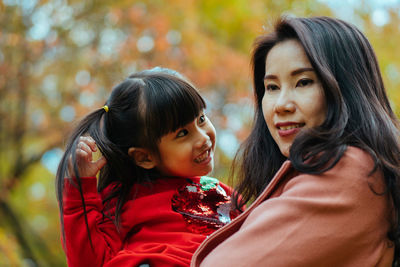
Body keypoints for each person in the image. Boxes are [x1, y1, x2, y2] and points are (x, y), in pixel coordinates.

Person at [191, 16, 400, 267]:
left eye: (303, 82)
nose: (281, 105)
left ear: (346, 89)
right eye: (272, 87)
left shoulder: (349, 169)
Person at [55, 68, 240, 267]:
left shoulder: (223, 193)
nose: (203, 138)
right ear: (144, 157)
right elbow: (91, 261)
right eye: (182, 134)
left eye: (201, 119)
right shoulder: (122, 202)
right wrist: (80, 193)